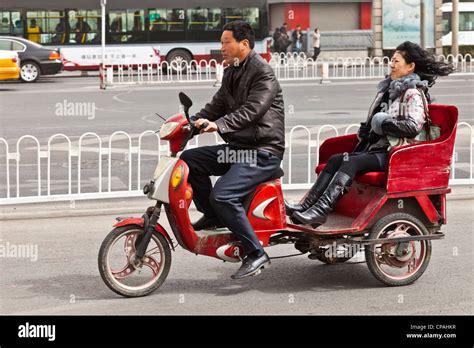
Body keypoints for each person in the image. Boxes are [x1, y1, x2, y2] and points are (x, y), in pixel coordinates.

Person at [285, 41, 454, 228]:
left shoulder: (411, 93)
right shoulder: (391, 91)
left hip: (395, 153)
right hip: (378, 149)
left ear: (410, 67)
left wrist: (383, 123)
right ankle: (307, 206)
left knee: (352, 162)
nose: (391, 64)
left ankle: (321, 210)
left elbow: (412, 127)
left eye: (397, 61)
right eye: (392, 60)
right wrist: (368, 130)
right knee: (335, 159)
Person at [180, 21, 285, 279]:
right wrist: (189, 124)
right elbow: (215, 106)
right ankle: (214, 216)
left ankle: (255, 252)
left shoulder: (263, 73)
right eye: (221, 42)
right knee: (190, 160)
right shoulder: (231, 72)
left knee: (224, 195)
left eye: (226, 42)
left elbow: (252, 111)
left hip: (263, 152)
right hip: (239, 149)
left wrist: (218, 125)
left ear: (244, 44)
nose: (222, 48)